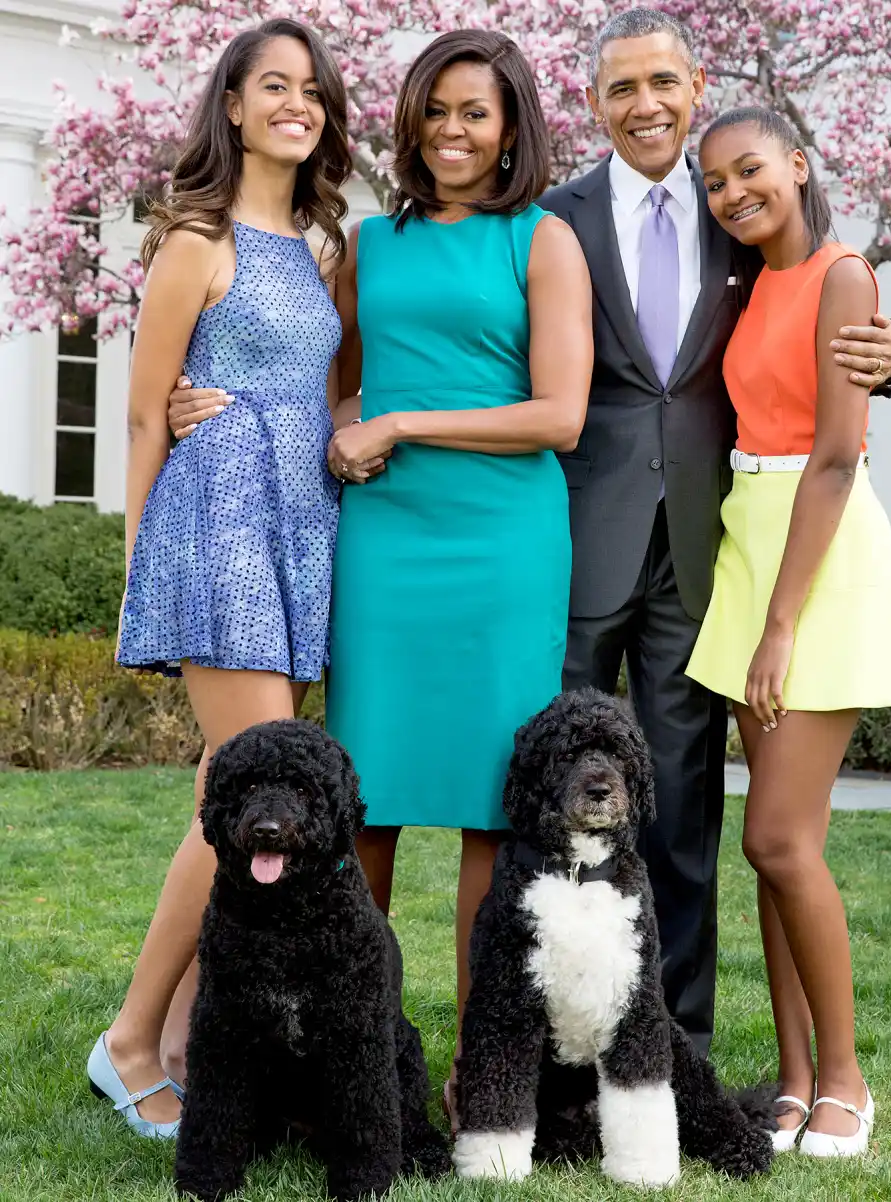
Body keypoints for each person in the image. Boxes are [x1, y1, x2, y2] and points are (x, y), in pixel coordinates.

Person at [167, 28, 592, 1133]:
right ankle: (334, 1073)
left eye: (477, 113)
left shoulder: (543, 244)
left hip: (501, 546)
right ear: (409, 119)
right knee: (361, 810)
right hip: (385, 545)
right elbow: (325, 390)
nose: (453, 131)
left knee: (496, 821)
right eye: (435, 109)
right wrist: (198, 401)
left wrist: (404, 419)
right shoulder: (367, 243)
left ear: (513, 129)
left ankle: (479, 1081)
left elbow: (560, 413)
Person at [539, 7, 891, 1056]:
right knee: (554, 795)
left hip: (710, 553)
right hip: (578, 537)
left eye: (662, 82)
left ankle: (676, 1048)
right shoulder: (555, 219)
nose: (644, 105)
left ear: (696, 87)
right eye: (621, 88)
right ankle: (557, 1039)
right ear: (595, 104)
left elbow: (820, 311)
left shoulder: (736, 207)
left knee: (681, 805)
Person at [89, 19, 351, 1137]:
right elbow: (148, 409)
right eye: (273, 86)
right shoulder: (194, 238)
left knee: (237, 787)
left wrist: (355, 427)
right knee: (237, 789)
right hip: (219, 522)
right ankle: (134, 1039)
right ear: (232, 106)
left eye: (313, 90)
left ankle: (190, 1036)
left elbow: (322, 390)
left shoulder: (324, 244)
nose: (297, 104)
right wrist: (143, 560)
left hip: (303, 521)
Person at [685, 106, 891, 1156]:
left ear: (799, 162)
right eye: (715, 184)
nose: (734, 194)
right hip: (749, 538)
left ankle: (845, 1077)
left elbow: (836, 455)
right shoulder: (745, 283)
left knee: (776, 836)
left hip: (814, 555)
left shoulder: (845, 273)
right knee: (778, 848)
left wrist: (780, 624)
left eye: (751, 171)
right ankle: (791, 1080)